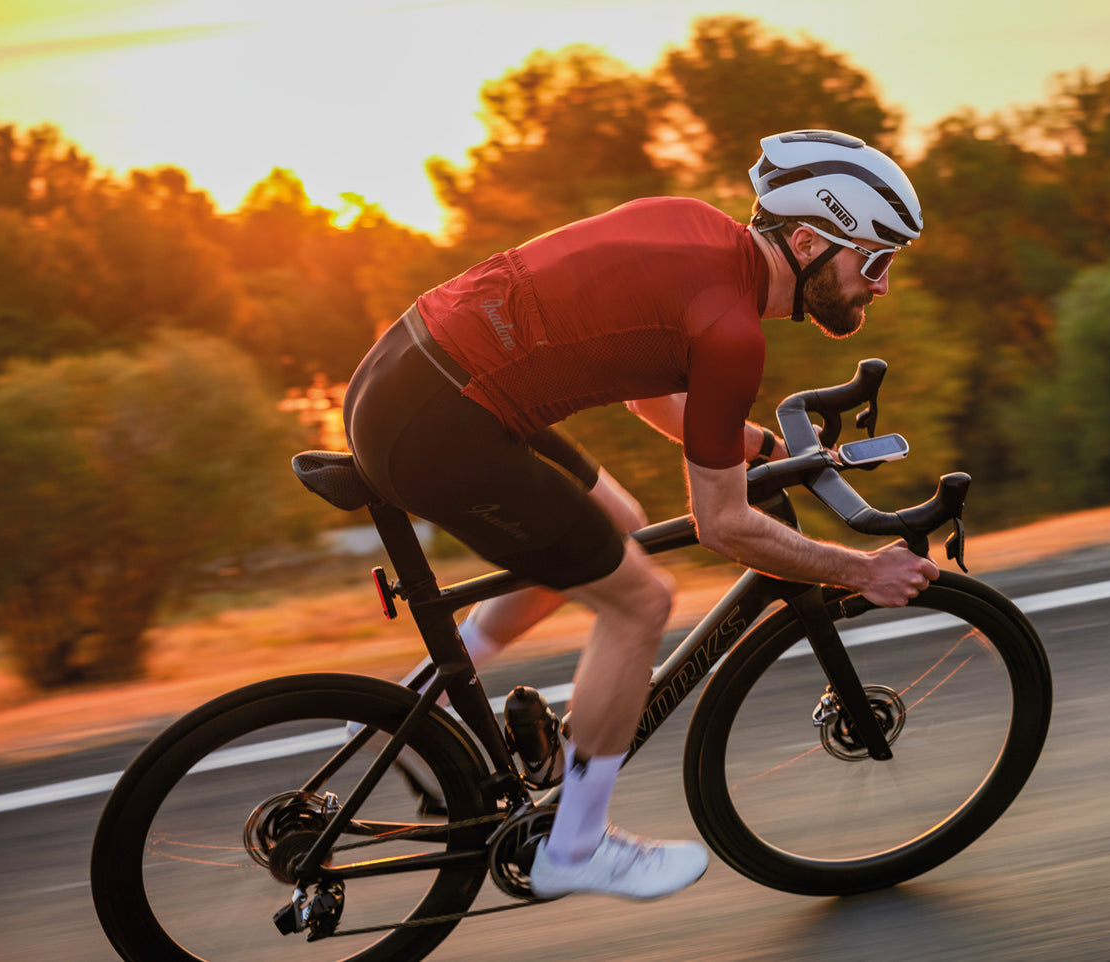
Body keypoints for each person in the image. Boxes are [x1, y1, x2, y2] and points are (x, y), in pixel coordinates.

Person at [341, 129, 942, 901]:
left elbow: (646, 388)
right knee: (641, 601)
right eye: (876, 260)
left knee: (615, 524)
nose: (882, 285)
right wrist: (862, 569)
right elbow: (721, 526)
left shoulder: (693, 228)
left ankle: (408, 709)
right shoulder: (732, 331)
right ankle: (576, 846)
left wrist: (751, 443)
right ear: (805, 241)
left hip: (403, 373)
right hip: (439, 424)